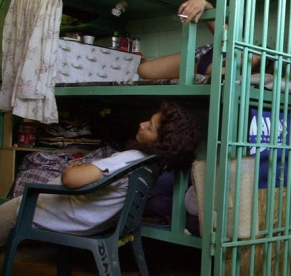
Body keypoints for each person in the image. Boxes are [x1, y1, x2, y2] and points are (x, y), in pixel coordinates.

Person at [0, 102, 199, 247]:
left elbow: (69, 179)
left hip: (50, 214)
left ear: (160, 143)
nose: (141, 124)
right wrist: (81, 171)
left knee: (11, 210)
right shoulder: (152, 165)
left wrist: (72, 171)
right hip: (91, 222)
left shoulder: (129, 158)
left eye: (150, 127)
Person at [137, 0, 272, 79]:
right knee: (143, 69)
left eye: (254, 58)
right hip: (205, 53)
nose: (247, 53)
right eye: (256, 51)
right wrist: (202, 2)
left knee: (143, 70)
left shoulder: (230, 73)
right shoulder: (241, 45)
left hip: (198, 65)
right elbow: (214, 18)